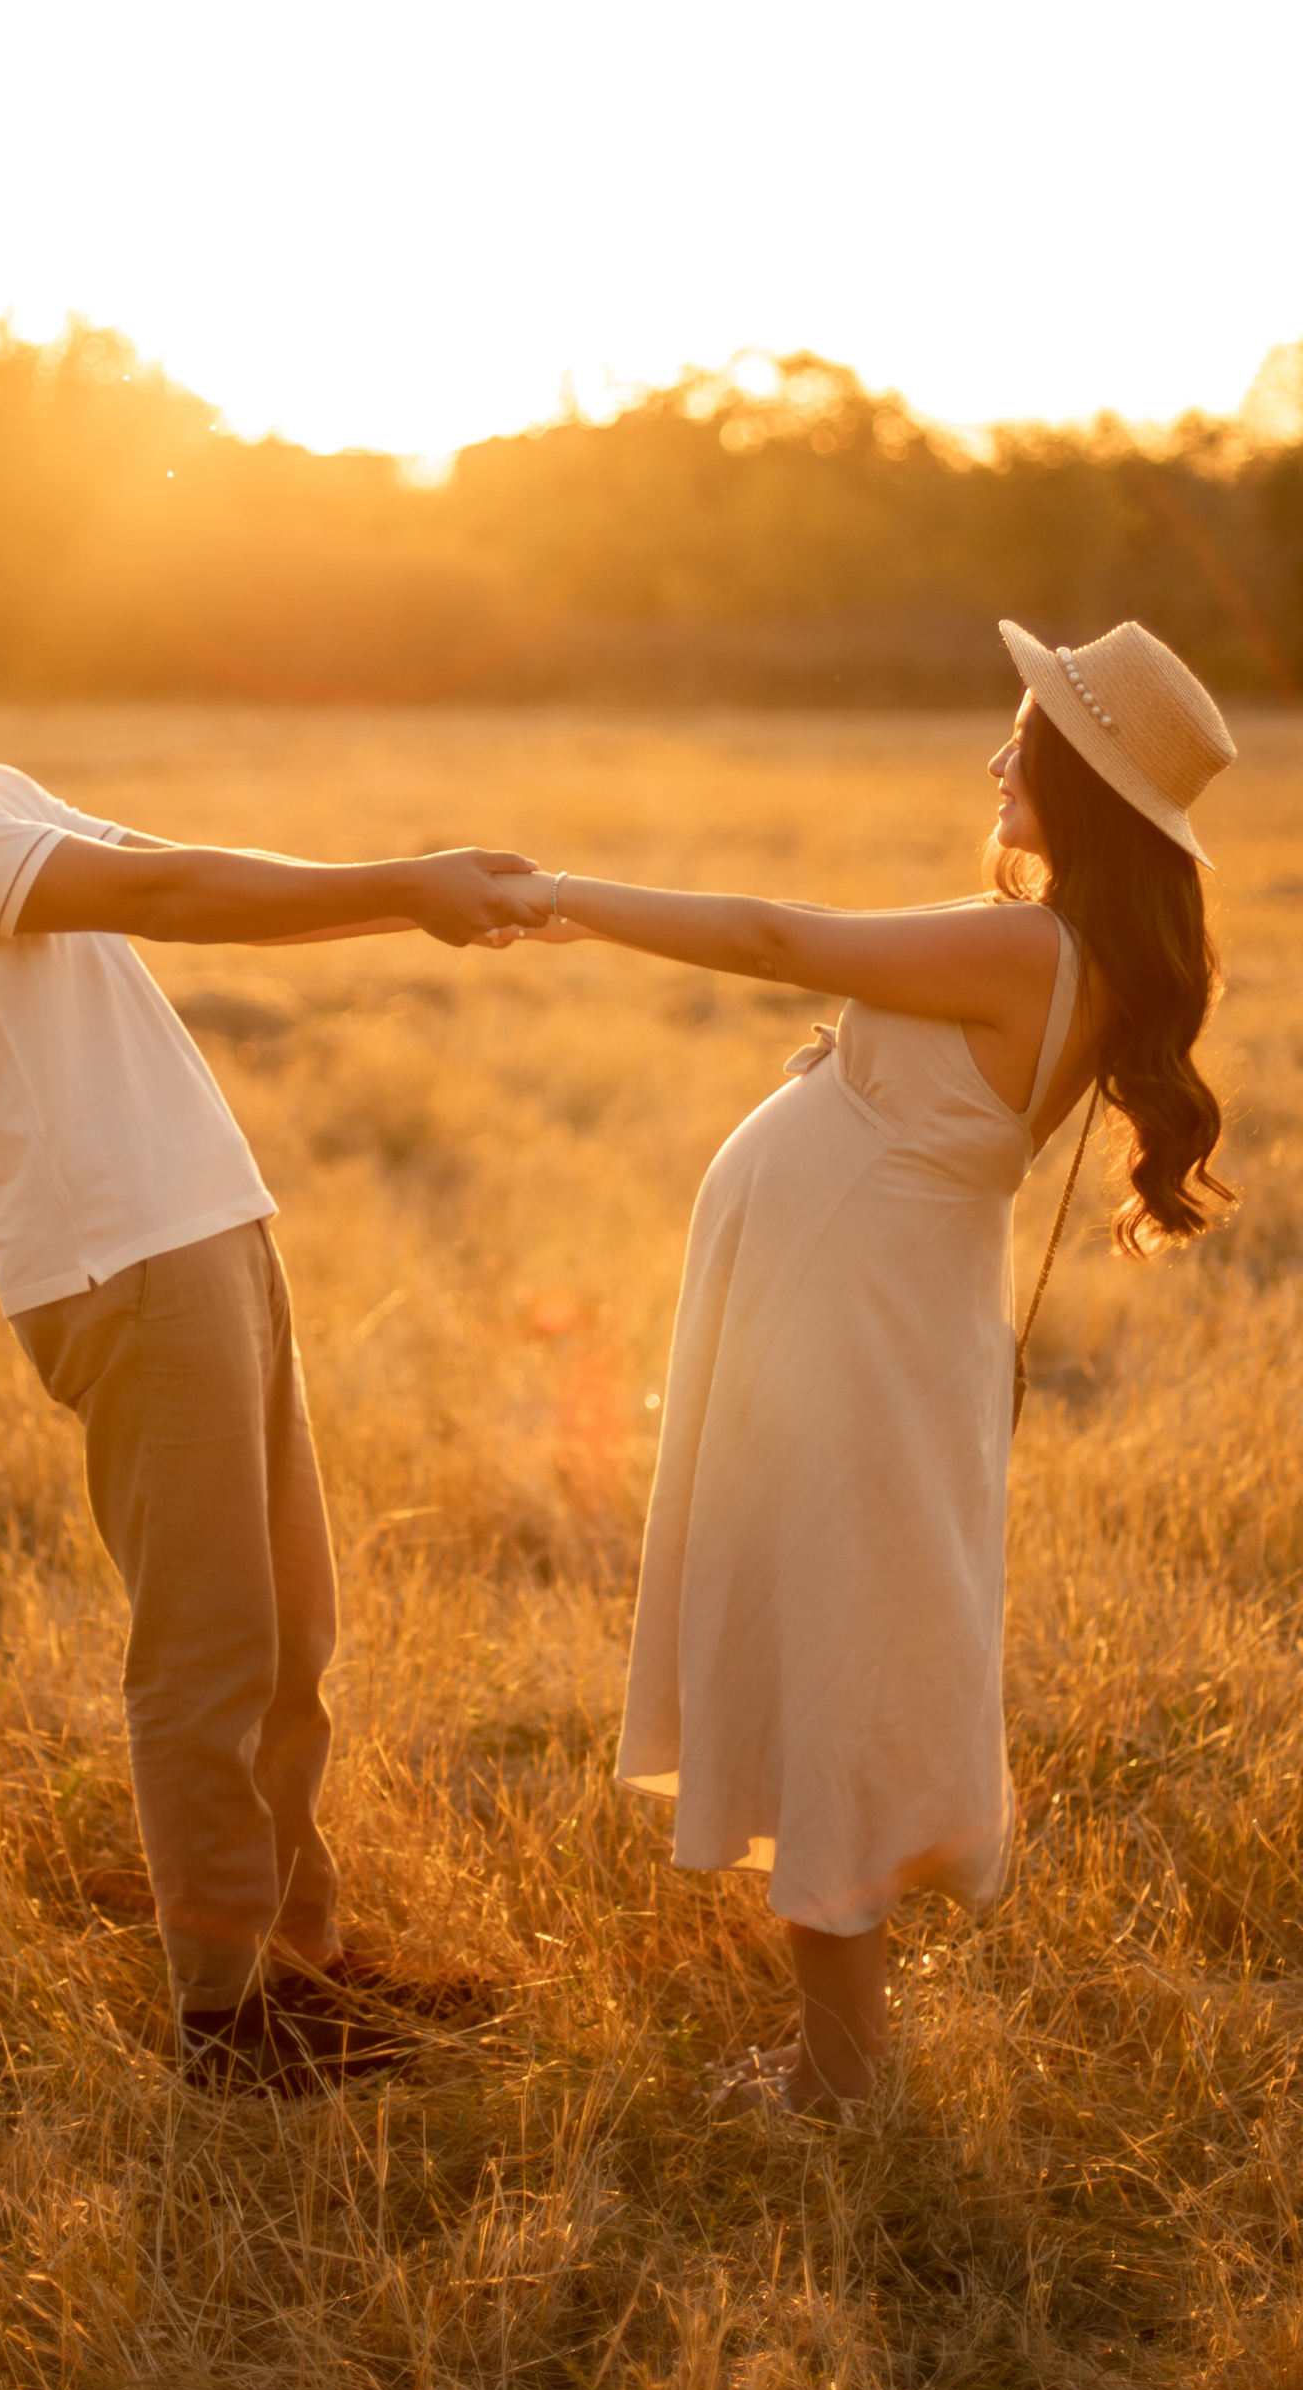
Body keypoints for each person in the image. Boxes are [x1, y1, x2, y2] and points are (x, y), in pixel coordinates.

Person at [0, 490, 536, 2097]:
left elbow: (176, 863)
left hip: (201, 1229)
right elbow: (171, 896)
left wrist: (409, 882)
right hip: (125, 1256)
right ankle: (229, 2019)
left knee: (290, 1631)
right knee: (208, 1648)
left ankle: (305, 1967)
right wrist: (408, 884)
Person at [510, 618, 1237, 2119]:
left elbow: (780, 939)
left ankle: (841, 2082)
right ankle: (836, 2053)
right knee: (831, 1650)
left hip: (850, 1346)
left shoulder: (1027, 945)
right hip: (865, 1331)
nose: (992, 758)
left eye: (1021, 737)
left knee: (832, 1665)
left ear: (1081, 784)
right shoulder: (1066, 949)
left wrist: (558, 896)